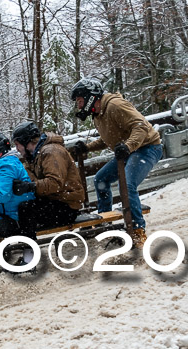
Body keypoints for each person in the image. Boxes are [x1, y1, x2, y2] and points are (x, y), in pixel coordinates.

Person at [71, 77, 162, 248]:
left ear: (90, 97)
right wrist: (87, 147)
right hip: (129, 151)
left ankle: (137, 231)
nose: (79, 106)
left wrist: (128, 146)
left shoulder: (115, 106)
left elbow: (140, 126)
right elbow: (109, 137)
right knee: (101, 180)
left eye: (80, 101)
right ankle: (106, 221)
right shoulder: (98, 115)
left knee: (127, 185)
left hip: (147, 147)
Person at [10, 122, 86, 259]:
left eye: (17, 144)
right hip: (55, 200)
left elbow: (55, 183)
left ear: (26, 142)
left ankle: (29, 258)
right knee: (20, 206)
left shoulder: (51, 152)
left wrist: (30, 186)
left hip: (67, 205)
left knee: (26, 209)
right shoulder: (35, 155)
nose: (17, 149)